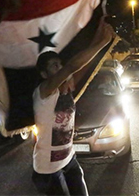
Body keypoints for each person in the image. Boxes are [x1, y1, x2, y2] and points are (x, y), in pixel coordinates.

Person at [32, 17, 115, 196]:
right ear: (44, 74)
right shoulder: (44, 92)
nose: (60, 68)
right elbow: (71, 67)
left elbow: (82, 66)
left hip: (69, 160)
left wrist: (99, 29)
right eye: (55, 66)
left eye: (60, 64)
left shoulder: (67, 89)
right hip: (48, 170)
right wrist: (102, 42)